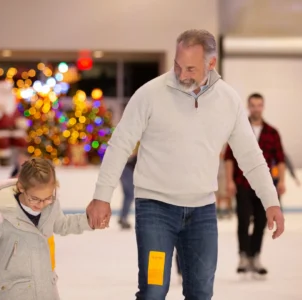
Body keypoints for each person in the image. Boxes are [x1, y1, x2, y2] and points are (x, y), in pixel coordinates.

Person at [86, 30, 284, 300]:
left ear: (211, 64)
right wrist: (101, 196)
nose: (182, 74)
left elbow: (250, 155)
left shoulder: (228, 101)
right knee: (154, 291)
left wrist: (270, 200)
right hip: (155, 209)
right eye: (178, 65)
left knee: (201, 292)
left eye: (191, 68)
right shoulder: (149, 95)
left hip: (201, 213)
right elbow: (119, 145)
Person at [0, 158, 95, 300]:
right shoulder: (2, 214)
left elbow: (63, 224)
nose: (41, 204)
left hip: (46, 288)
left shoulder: (51, 207)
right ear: (21, 188)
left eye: (47, 198)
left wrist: (89, 221)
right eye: (35, 198)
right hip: (14, 290)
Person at [224, 93, 286, 276]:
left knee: (261, 222)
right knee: (243, 220)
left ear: (263, 107)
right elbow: (229, 158)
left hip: (265, 186)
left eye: (259, 105)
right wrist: (229, 181)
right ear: (248, 106)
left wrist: (282, 180)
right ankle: (243, 256)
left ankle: (255, 256)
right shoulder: (239, 129)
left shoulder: (272, 133)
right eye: (253, 105)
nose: (256, 108)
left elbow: (280, 159)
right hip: (242, 184)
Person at [118, 146, 138, 229]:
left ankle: (123, 217)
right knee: (129, 195)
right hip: (127, 170)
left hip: (125, 170)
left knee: (128, 196)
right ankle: (123, 218)